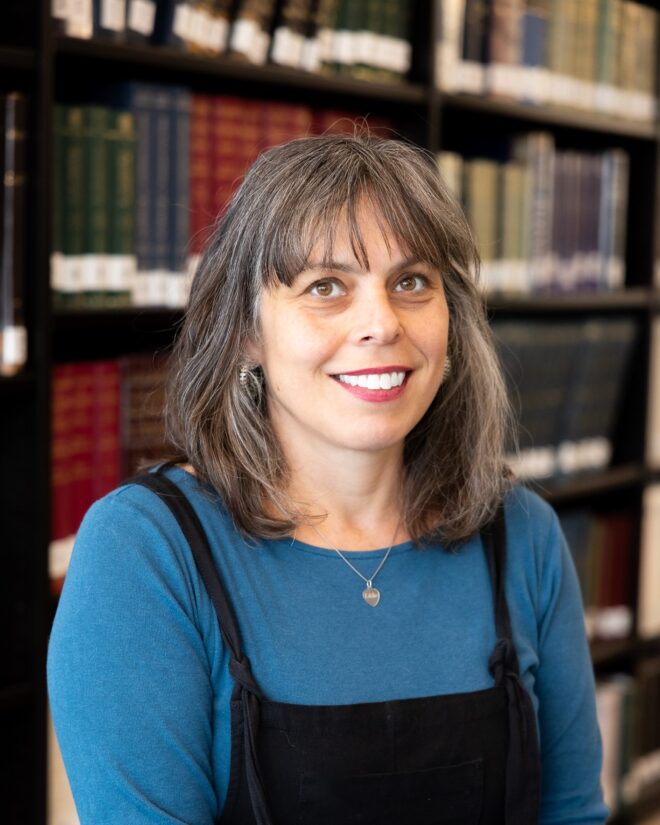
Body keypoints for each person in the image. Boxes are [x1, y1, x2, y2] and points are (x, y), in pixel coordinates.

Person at [47, 132, 608, 825]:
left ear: (451, 319)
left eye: (411, 282)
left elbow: (574, 815)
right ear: (247, 332)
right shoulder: (145, 551)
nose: (380, 322)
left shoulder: (522, 533)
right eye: (325, 286)